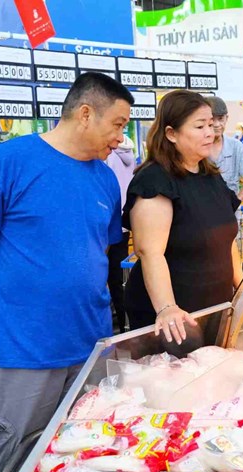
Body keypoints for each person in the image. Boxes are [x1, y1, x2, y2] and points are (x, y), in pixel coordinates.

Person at [0, 72, 132, 472]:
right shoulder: (6, 163)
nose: (121, 138)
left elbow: (97, 254)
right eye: (119, 124)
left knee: (80, 458)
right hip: (24, 347)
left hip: (91, 344)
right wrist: (0, 295)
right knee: (11, 461)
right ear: (85, 114)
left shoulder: (104, 178)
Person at [124, 91, 243, 354]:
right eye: (199, 126)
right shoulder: (155, 181)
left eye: (211, 125)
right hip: (174, 319)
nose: (209, 133)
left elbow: (227, 241)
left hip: (214, 308)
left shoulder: (210, 176)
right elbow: (150, 252)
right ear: (171, 134)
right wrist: (167, 308)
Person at [105, 134, 137, 333]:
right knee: (119, 277)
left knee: (106, 276)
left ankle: (118, 327)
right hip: (124, 222)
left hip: (108, 222)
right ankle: (127, 325)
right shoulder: (129, 153)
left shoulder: (107, 156)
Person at [209, 96, 243, 201]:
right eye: (212, 119)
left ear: (227, 118)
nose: (216, 124)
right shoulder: (197, 147)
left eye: (220, 118)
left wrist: (235, 204)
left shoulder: (236, 146)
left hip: (230, 213)